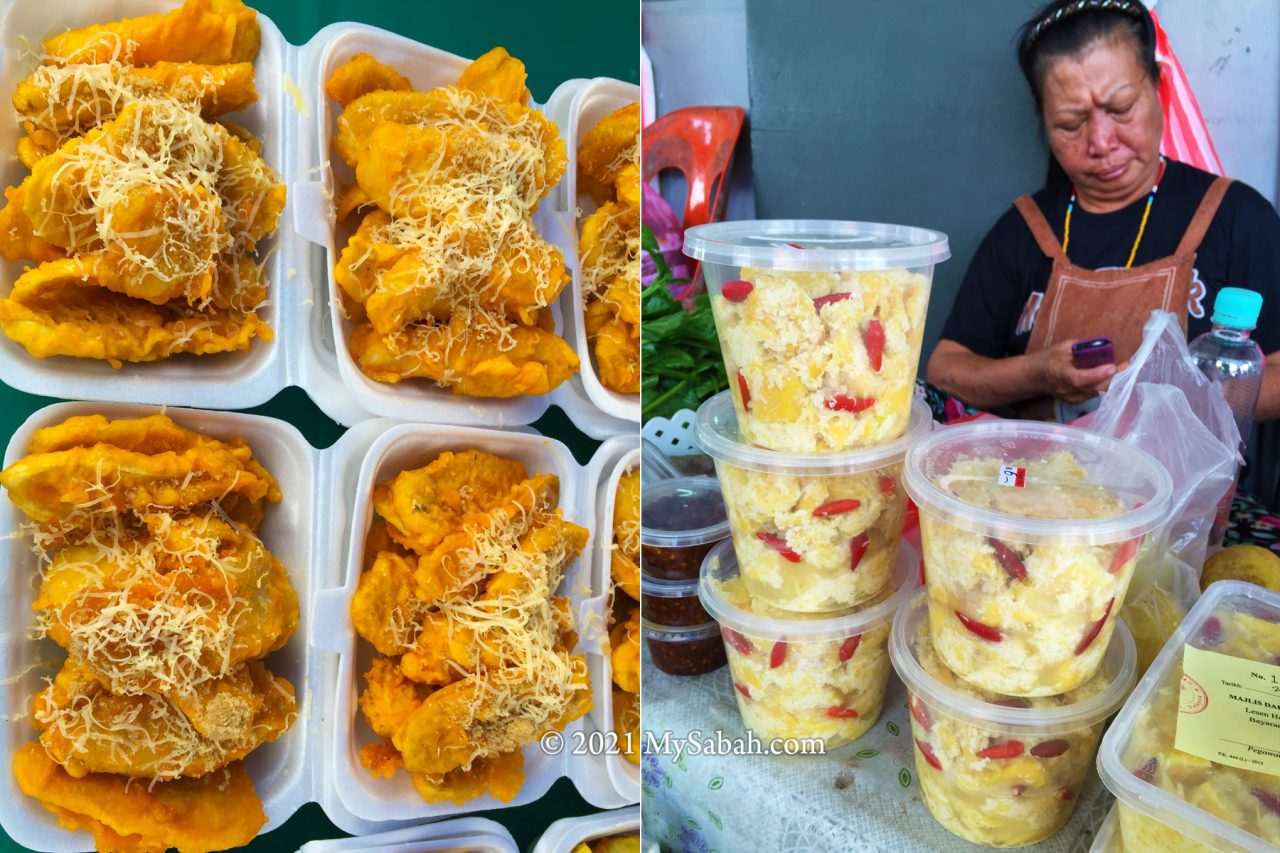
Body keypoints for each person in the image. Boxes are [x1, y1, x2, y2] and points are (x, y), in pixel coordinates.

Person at [927, 0, 1280, 425]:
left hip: (1187, 488)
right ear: (1045, 121)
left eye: (1121, 108)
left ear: (1158, 88)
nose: (1101, 142)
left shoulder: (1236, 216)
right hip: (1039, 482)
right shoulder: (1024, 230)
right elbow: (946, 368)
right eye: (1071, 124)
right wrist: (1039, 372)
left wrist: (1175, 403)